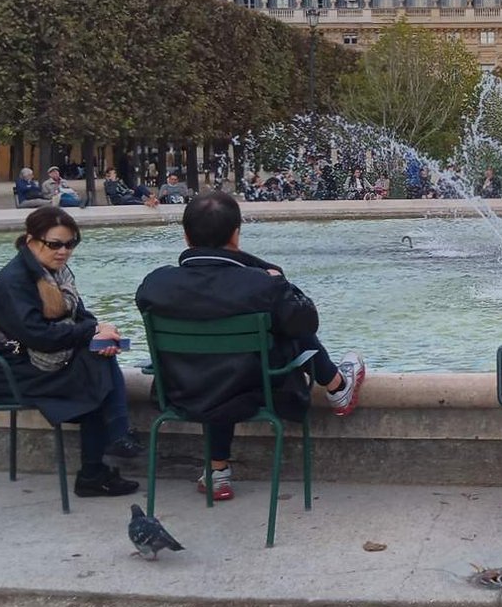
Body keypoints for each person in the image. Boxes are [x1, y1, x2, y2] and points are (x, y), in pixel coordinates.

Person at [135, 191, 367, 502]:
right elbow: (308, 323)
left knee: (215, 358)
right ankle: (337, 385)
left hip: (181, 392)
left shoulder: (156, 284)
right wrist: (277, 282)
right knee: (284, 323)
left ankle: (217, 471)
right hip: (254, 394)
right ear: (236, 234)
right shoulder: (261, 285)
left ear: (186, 236)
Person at [0, 206, 143, 499]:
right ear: (30, 241)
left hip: (29, 359)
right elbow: (39, 336)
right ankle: (105, 453)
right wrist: (91, 334)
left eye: (70, 244)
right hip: (6, 370)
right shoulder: (15, 281)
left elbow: (81, 316)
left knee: (97, 359)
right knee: (94, 368)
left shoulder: (55, 273)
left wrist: (101, 331)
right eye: (55, 244)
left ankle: (103, 459)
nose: (63, 251)